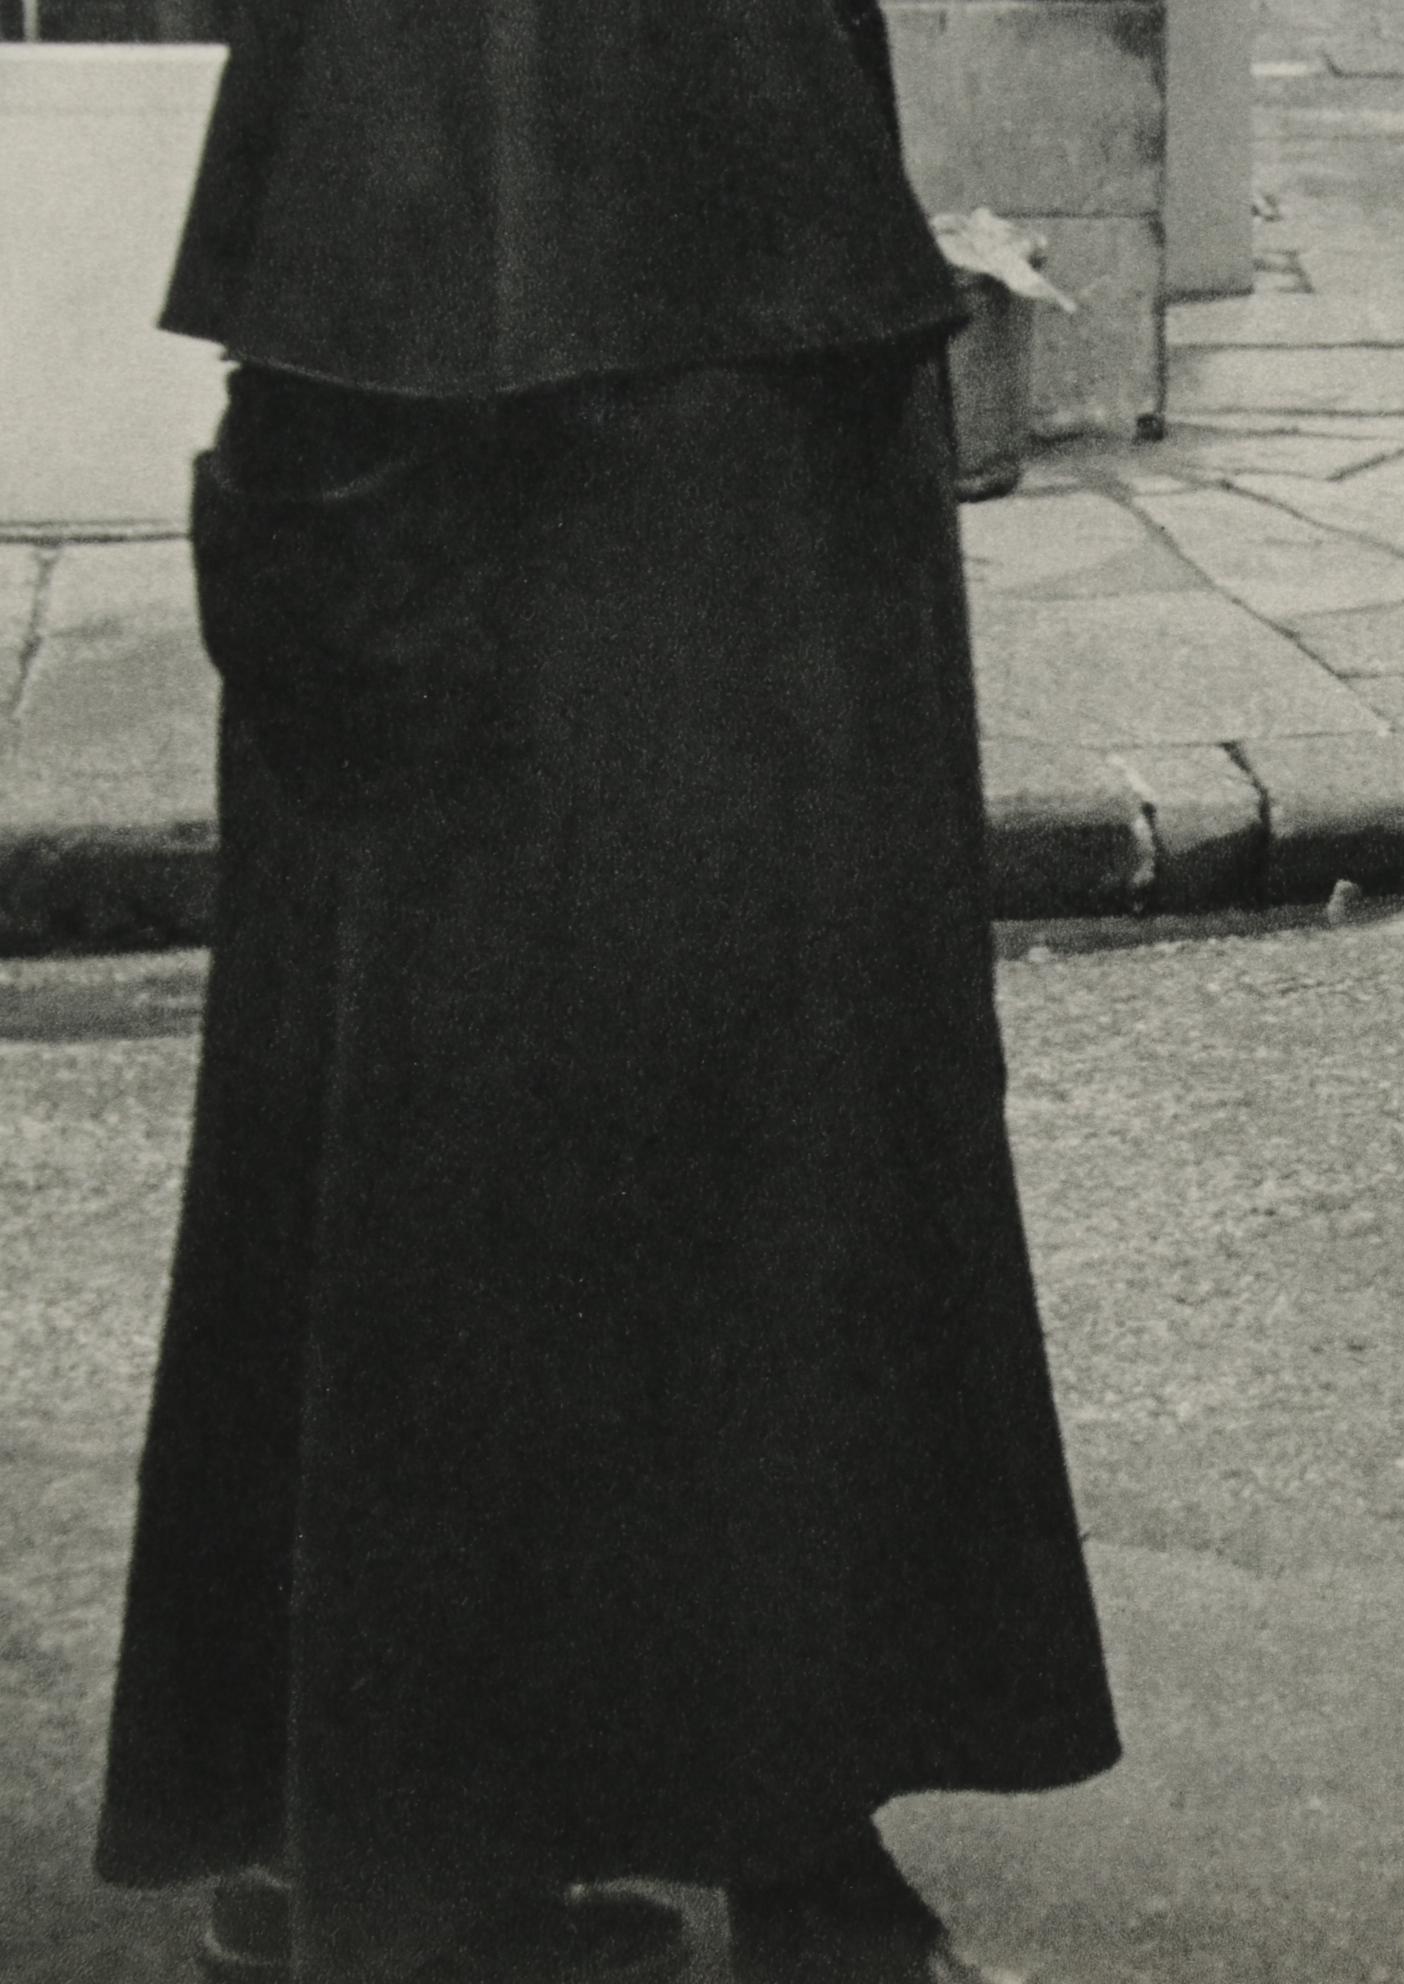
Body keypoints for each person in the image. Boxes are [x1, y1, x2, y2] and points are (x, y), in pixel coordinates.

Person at [92, 4, 1121, 1980]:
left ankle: (475, 1840)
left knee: (570, 1193)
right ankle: (500, 1852)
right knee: (619, 1191)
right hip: (604, 532)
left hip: (626, 523)